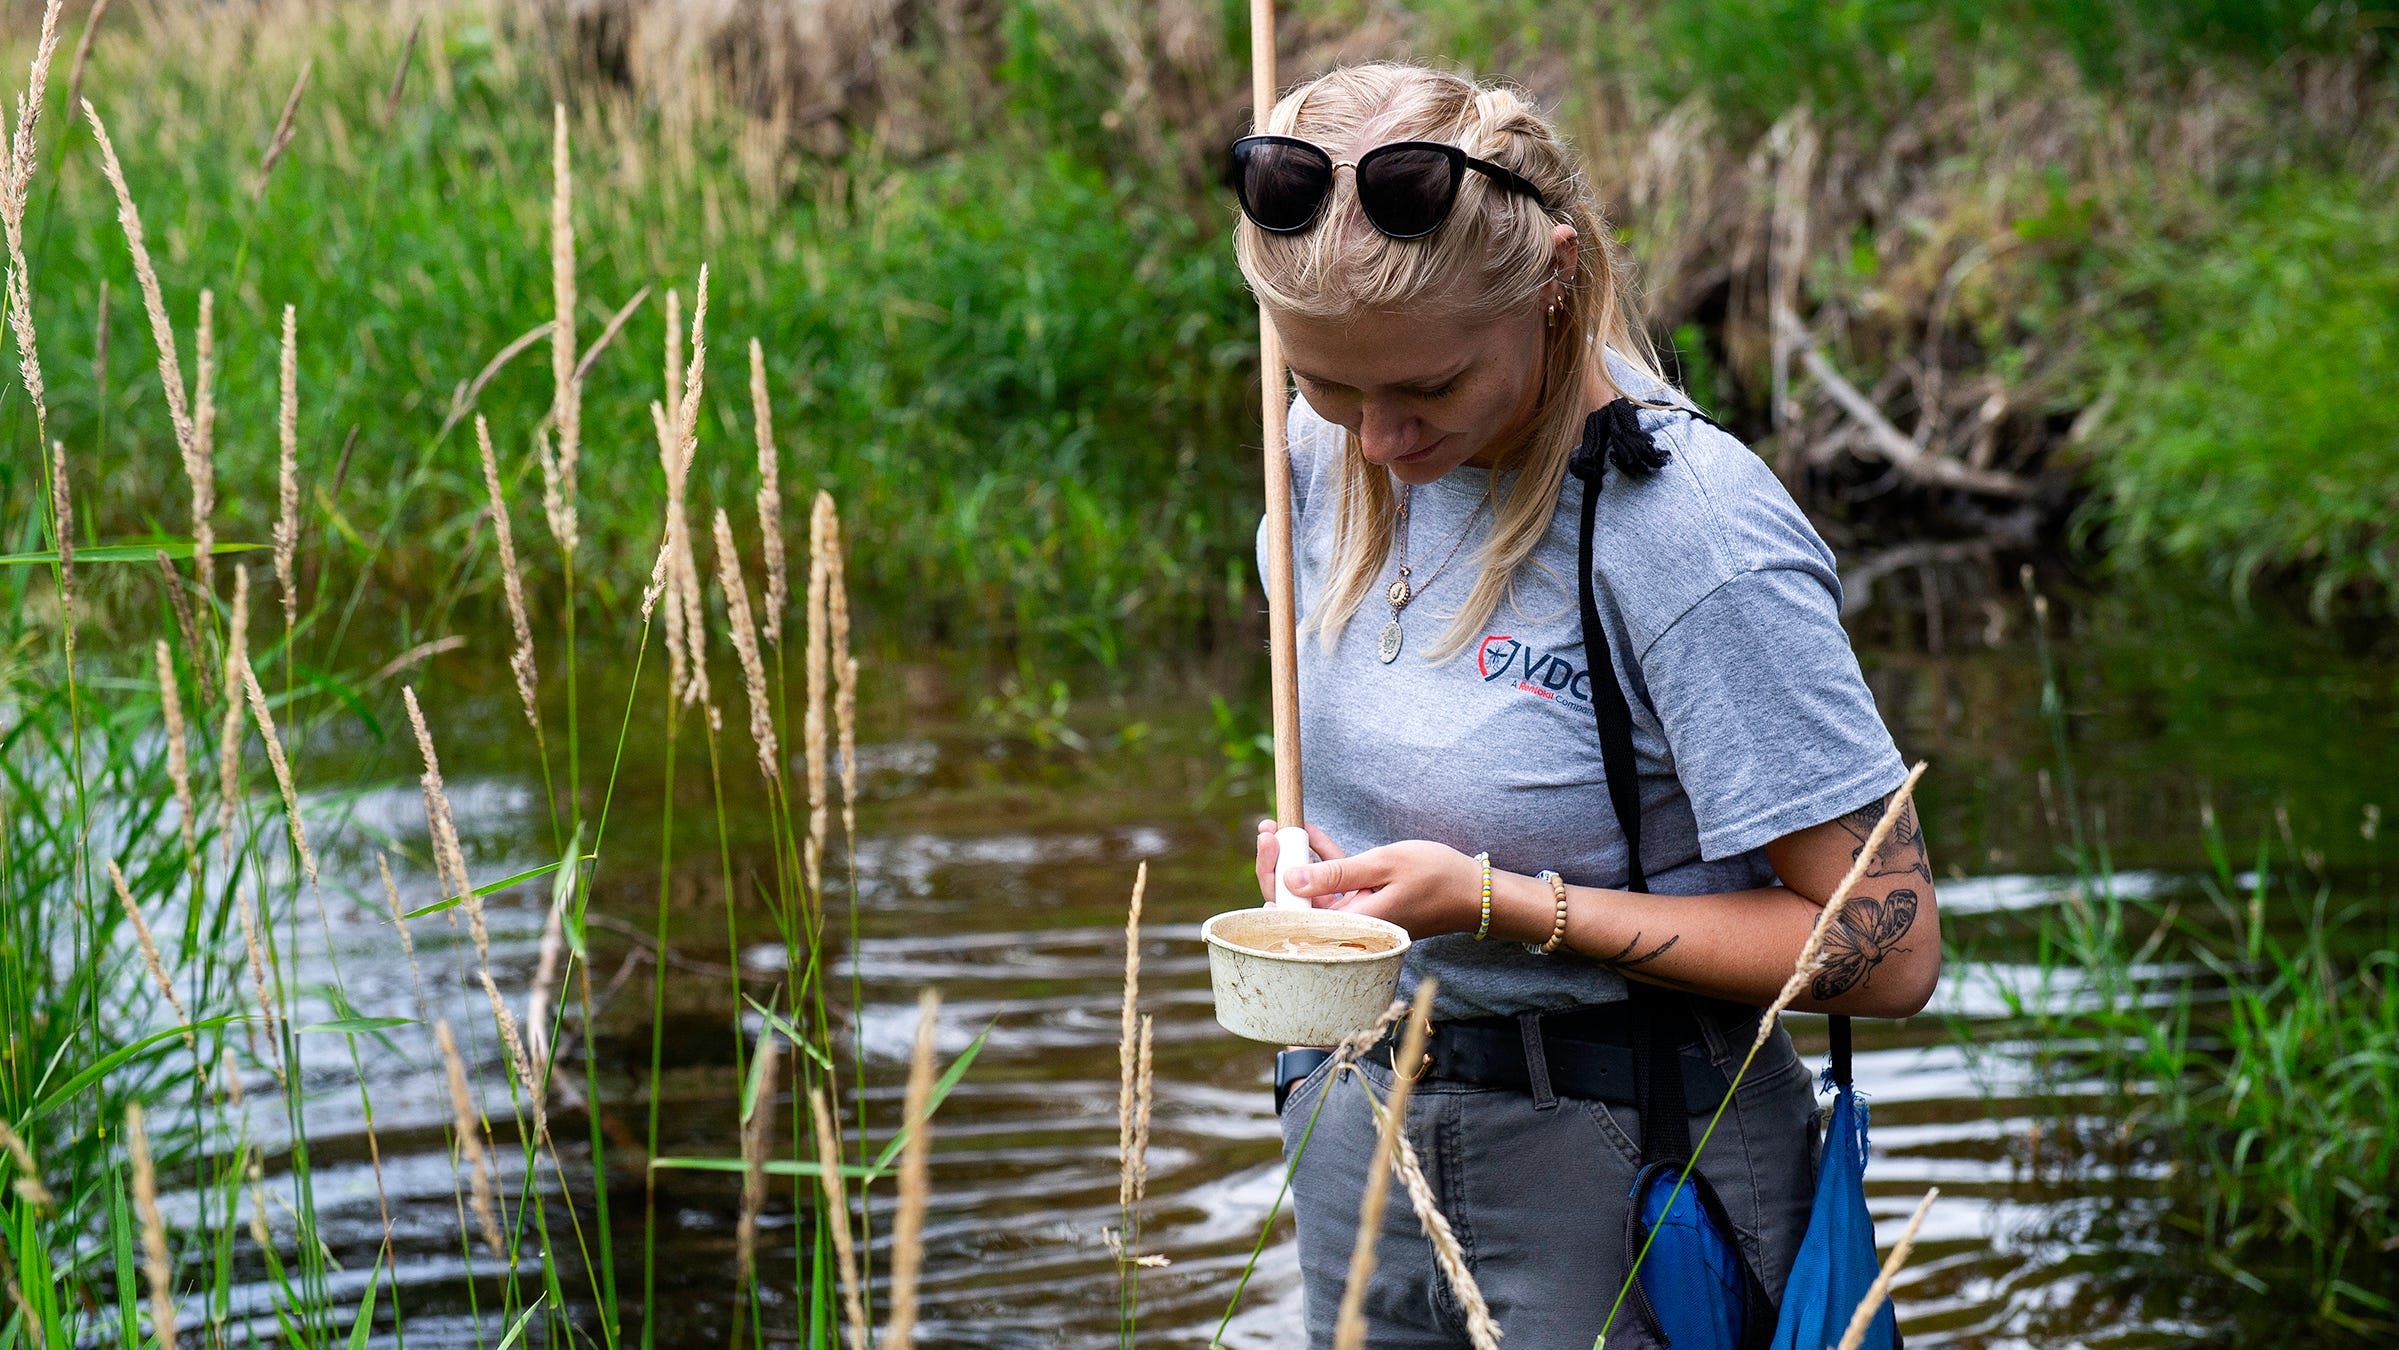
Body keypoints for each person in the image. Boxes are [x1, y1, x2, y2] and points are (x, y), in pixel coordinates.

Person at [1231, 62, 1942, 1348]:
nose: (1375, 439)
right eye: (1331, 382)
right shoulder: (1306, 446)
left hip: (1630, 1168)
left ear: (1552, 277)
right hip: (1356, 1129)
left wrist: (1497, 904)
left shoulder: (1690, 537)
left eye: (1428, 389)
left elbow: (1887, 953)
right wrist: (1317, 878)